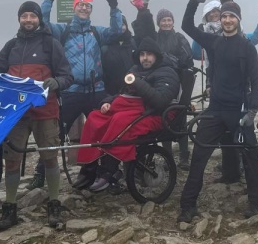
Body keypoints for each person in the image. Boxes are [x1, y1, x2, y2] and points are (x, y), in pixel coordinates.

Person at [179, 0, 258, 222]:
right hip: (216, 110)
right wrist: (193, 1)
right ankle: (187, 207)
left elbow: (256, 80)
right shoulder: (213, 41)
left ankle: (256, 204)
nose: (227, 20)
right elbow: (186, 25)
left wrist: (252, 110)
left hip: (239, 110)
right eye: (224, 16)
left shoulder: (247, 47)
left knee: (251, 156)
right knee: (199, 157)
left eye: (231, 17)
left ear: (238, 20)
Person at [31, 0, 123, 186]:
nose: (83, 8)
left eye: (87, 6)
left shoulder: (97, 32)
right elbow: (42, 24)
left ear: (90, 9)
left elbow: (117, 31)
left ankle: (101, 171)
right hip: (70, 91)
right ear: (74, 8)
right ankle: (41, 173)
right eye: (80, 5)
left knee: (102, 131)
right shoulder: (63, 31)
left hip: (96, 90)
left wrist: (114, 6)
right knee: (56, 132)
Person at [0, 1, 72, 230]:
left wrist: (57, 82)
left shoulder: (50, 44)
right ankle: (10, 208)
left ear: (39, 19)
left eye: (32, 16)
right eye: (24, 16)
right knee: (12, 159)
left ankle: (54, 204)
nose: (28, 20)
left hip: (45, 111)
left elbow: (67, 75)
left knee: (49, 157)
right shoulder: (11, 45)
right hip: (15, 113)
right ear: (19, 19)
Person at [190, 0, 258, 183]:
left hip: (237, 93)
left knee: (239, 138)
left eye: (220, 14)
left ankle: (239, 173)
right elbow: (195, 53)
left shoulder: (240, 37)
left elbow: (232, 8)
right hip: (216, 88)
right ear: (208, 19)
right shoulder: (208, 37)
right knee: (224, 136)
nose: (219, 18)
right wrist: (198, 36)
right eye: (214, 15)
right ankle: (230, 173)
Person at [72, 38, 180, 191]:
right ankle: (89, 167)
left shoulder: (167, 72)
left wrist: (137, 82)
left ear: (156, 56)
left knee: (119, 120)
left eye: (149, 54)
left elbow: (160, 102)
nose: (145, 58)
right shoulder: (135, 69)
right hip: (132, 109)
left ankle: (110, 170)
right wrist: (107, 102)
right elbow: (121, 93)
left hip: (155, 114)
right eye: (142, 54)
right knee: (94, 117)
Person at [130, 0, 195, 169]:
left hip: (178, 82)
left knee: (179, 118)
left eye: (169, 20)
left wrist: (170, 62)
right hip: (158, 81)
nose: (166, 23)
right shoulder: (155, 38)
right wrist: (144, 7)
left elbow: (187, 59)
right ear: (159, 23)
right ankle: (168, 156)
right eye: (163, 20)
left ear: (173, 22)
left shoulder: (179, 38)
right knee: (164, 118)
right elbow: (145, 28)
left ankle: (184, 156)